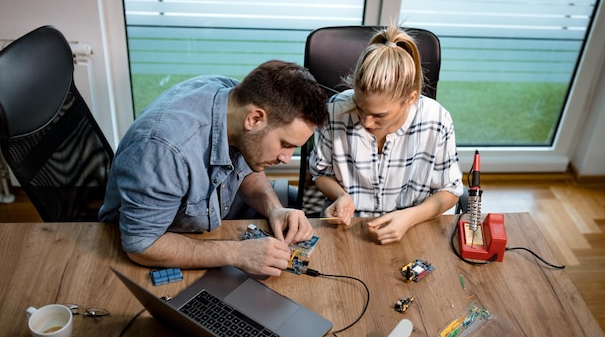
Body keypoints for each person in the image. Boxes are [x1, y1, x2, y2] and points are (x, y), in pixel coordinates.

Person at [100, 60, 329, 276]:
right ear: (255, 118)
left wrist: (274, 209)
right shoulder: (164, 151)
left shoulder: (233, 100)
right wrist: (238, 253)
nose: (286, 158)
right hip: (154, 244)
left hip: (207, 221)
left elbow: (245, 164)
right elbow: (141, 245)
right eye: (285, 144)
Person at [309, 25, 463, 244]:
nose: (365, 122)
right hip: (347, 231)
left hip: (412, 230)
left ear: (410, 98)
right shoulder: (335, 110)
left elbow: (450, 191)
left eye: (379, 115)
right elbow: (320, 173)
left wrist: (409, 218)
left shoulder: (436, 120)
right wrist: (342, 197)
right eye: (359, 107)